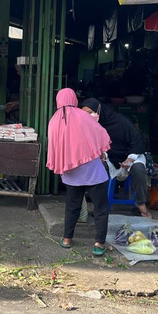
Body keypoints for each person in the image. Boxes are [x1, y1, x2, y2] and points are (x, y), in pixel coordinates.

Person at [46, 88, 112, 256]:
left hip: (71, 173)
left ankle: (67, 239)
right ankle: (98, 243)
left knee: (72, 207)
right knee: (100, 208)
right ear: (74, 99)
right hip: (93, 172)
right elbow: (101, 134)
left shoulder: (54, 120)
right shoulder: (83, 115)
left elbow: (54, 145)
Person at [80, 98, 151, 218]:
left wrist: (130, 159)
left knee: (138, 169)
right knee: (99, 168)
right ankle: (100, 206)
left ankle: (141, 205)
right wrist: (101, 154)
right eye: (84, 113)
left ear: (99, 110)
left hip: (131, 155)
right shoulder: (90, 126)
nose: (88, 116)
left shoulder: (121, 122)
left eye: (90, 112)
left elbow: (137, 141)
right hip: (110, 158)